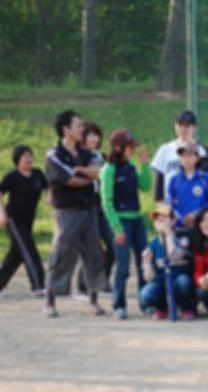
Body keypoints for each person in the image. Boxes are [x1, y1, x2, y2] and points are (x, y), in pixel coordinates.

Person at [44, 110, 106, 317]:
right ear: (66, 129)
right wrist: (87, 176)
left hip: (90, 210)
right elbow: (68, 180)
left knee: (94, 254)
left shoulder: (90, 154)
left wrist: (80, 170)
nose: (83, 129)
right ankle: (50, 300)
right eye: (78, 126)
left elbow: (99, 172)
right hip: (67, 212)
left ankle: (94, 299)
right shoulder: (54, 155)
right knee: (61, 254)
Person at [100, 129, 151, 320]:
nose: (132, 150)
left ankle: (146, 303)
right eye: (129, 147)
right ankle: (119, 305)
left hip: (137, 219)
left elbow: (145, 185)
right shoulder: (109, 170)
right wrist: (117, 228)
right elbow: (106, 202)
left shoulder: (130, 166)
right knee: (123, 265)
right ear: (117, 147)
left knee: (144, 262)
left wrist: (145, 165)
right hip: (122, 221)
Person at [0, 145, 48, 296]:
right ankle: (38, 285)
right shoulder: (12, 176)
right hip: (14, 219)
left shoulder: (38, 174)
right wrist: (1, 213)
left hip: (29, 220)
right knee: (29, 250)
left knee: (17, 254)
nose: (28, 159)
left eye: (30, 155)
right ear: (17, 159)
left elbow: (49, 188)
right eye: (25, 156)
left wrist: (50, 197)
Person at [74, 122, 114, 296]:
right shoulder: (78, 156)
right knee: (92, 248)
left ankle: (102, 282)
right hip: (85, 206)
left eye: (96, 135)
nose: (94, 138)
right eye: (90, 135)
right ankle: (82, 286)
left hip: (102, 205)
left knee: (113, 245)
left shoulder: (103, 157)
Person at [139, 204, 195, 320]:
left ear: (173, 221)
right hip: (162, 282)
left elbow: (173, 255)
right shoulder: (152, 244)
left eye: (164, 218)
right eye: (157, 219)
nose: (160, 221)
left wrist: (168, 234)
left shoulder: (183, 238)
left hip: (180, 279)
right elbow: (149, 278)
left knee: (183, 282)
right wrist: (147, 262)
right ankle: (162, 308)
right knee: (146, 294)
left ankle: (186, 308)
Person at [151, 110, 208, 203]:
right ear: (175, 126)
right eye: (180, 125)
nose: (183, 129)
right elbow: (160, 180)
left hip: (197, 203)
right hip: (172, 204)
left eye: (187, 126)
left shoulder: (203, 150)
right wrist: (160, 203)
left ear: (194, 128)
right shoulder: (165, 149)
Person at [168, 141, 208, 231]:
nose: (186, 159)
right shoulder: (175, 179)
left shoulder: (206, 178)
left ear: (197, 158)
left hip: (202, 226)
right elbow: (170, 202)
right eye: (183, 156)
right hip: (181, 226)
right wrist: (182, 218)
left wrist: (197, 215)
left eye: (190, 156)